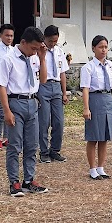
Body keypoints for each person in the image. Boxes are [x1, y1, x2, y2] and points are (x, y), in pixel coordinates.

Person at [0, 26, 50, 197]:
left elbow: (44, 79)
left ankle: (29, 179)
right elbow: (1, 86)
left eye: (37, 48)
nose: (35, 51)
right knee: (15, 145)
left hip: (32, 102)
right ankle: (14, 182)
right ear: (23, 42)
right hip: (15, 103)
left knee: (32, 145)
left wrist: (42, 58)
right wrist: (7, 111)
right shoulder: (8, 59)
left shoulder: (35, 57)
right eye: (33, 48)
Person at [80, 35, 112, 180]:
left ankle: (101, 167)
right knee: (93, 136)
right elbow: (85, 88)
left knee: (104, 136)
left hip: (107, 99)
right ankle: (92, 168)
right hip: (94, 99)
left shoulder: (111, 66)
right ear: (93, 48)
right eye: (100, 47)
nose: (103, 50)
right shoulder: (88, 67)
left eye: (105, 47)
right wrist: (86, 108)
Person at [38, 25, 70, 163]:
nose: (52, 44)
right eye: (50, 41)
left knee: (59, 121)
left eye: (55, 41)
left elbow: (62, 73)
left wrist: (64, 92)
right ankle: (43, 151)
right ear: (44, 38)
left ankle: (55, 150)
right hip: (43, 86)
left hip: (56, 87)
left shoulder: (59, 51)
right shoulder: (38, 51)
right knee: (44, 121)